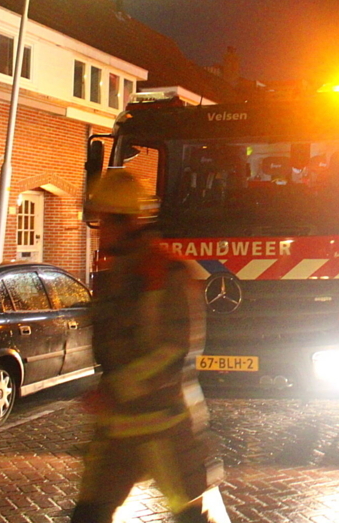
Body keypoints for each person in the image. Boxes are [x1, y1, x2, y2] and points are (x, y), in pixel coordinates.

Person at [71, 169, 221, 523]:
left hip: (164, 429)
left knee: (188, 516)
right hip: (116, 432)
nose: (100, 230)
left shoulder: (167, 274)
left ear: (130, 223)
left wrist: (115, 390)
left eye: (106, 221)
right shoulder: (114, 276)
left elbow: (174, 349)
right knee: (89, 515)